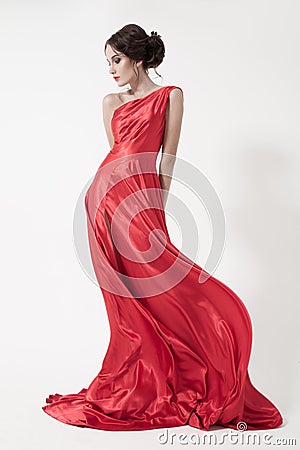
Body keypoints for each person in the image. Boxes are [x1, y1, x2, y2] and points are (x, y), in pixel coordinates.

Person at [42, 23, 283, 432]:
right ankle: (141, 379)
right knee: (127, 299)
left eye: (116, 60)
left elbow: (165, 159)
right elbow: (117, 154)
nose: (112, 70)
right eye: (107, 63)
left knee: (165, 282)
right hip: (103, 199)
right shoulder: (110, 101)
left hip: (142, 200)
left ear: (137, 58)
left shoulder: (171, 96)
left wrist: (157, 209)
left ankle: (189, 367)